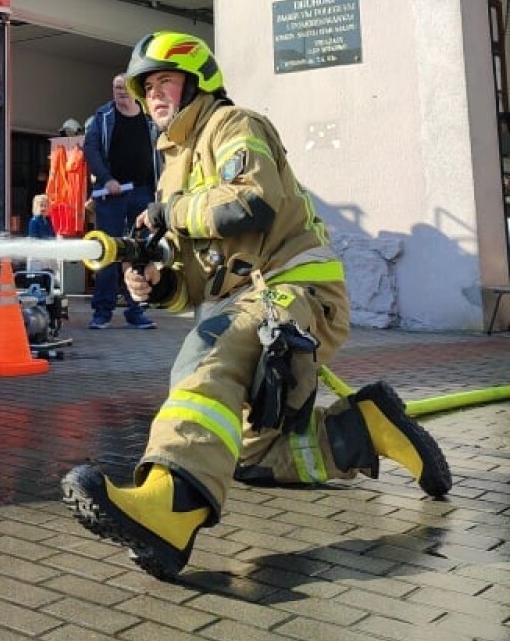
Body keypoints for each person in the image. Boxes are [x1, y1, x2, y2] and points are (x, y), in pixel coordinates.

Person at [63, 31, 452, 581]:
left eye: (165, 81)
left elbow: (252, 200)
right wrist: (158, 283)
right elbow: (201, 280)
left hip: (296, 290)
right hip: (254, 299)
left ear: (198, 82)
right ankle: (365, 430)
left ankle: (169, 509)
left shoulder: (232, 125)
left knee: (208, 351)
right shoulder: (175, 164)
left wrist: (170, 211)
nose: (154, 96)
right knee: (248, 453)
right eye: (146, 86)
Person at [83, 72, 160, 330]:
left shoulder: (149, 118)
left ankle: (136, 310)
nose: (120, 92)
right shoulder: (102, 117)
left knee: (139, 252)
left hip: (142, 193)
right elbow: (90, 149)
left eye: (124, 88)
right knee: (108, 251)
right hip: (112, 196)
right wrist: (106, 179)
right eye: (116, 88)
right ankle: (102, 312)